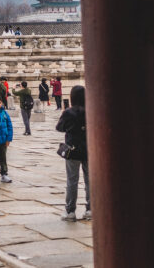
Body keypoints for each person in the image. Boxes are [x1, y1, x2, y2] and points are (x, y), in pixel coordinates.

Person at [56, 85, 91, 221]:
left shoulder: (69, 112)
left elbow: (60, 128)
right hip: (88, 149)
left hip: (73, 150)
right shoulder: (91, 110)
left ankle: (70, 211)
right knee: (89, 180)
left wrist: (64, 114)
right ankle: (91, 209)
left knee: (72, 181)